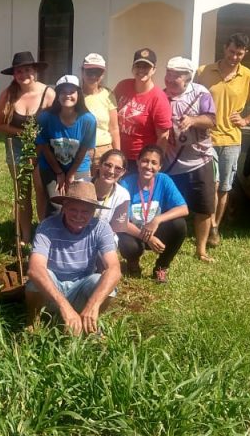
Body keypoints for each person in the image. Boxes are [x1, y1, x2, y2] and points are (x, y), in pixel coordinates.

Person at [195, 33, 250, 247]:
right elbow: (191, 96)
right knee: (212, 183)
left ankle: (215, 227)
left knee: (224, 188)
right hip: (206, 139)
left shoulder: (248, 76)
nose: (234, 57)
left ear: (245, 53)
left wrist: (247, 119)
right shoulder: (203, 72)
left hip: (231, 140)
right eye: (231, 52)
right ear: (224, 48)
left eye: (240, 54)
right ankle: (207, 224)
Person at [25, 181, 121, 335]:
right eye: (73, 209)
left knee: (103, 282)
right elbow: (35, 269)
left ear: (94, 212)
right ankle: (33, 319)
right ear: (64, 208)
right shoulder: (47, 226)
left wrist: (93, 305)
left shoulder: (101, 228)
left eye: (85, 212)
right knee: (40, 277)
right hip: (52, 288)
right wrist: (65, 307)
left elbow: (115, 269)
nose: (78, 216)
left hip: (81, 287)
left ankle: (88, 319)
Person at [0, 51, 55, 244]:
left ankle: (44, 235)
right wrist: (23, 134)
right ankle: (25, 236)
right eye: (19, 71)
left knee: (40, 190)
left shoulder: (48, 94)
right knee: (22, 193)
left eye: (27, 70)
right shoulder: (9, 94)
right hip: (17, 147)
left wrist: (39, 138)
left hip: (42, 149)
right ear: (14, 74)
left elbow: (56, 124)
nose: (23, 75)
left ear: (34, 71)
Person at [162, 56, 218, 263]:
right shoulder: (161, 96)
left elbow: (212, 119)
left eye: (175, 75)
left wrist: (193, 120)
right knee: (171, 207)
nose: (169, 78)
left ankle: (201, 250)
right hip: (171, 163)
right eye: (168, 73)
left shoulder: (201, 93)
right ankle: (169, 244)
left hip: (200, 159)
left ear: (187, 78)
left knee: (203, 207)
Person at [118, 144, 189, 283]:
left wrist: (157, 220)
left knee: (179, 225)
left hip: (154, 229)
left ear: (160, 166)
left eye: (154, 163)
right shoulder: (126, 183)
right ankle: (133, 261)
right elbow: (122, 221)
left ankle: (161, 267)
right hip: (134, 232)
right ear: (138, 162)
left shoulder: (164, 180)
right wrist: (147, 238)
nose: (148, 166)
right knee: (128, 244)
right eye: (144, 161)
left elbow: (183, 208)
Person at [35, 75, 96, 219]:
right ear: (57, 95)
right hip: (51, 166)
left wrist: (70, 175)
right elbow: (44, 146)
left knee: (79, 202)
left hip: (78, 166)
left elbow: (83, 150)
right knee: (56, 204)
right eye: (63, 92)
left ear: (78, 95)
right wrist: (59, 172)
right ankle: (52, 235)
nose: (67, 95)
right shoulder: (45, 117)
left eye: (71, 92)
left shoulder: (88, 119)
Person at [114, 47, 172, 163]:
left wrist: (155, 162)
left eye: (146, 67)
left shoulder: (158, 97)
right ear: (132, 68)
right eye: (138, 66)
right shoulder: (122, 86)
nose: (141, 70)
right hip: (118, 155)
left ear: (154, 70)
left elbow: (163, 136)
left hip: (140, 160)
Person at [80, 53, 120, 174]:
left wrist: (118, 155)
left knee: (102, 188)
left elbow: (114, 128)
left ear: (102, 74)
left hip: (104, 150)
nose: (93, 76)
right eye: (89, 71)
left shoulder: (108, 95)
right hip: (81, 151)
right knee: (81, 189)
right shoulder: (74, 95)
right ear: (82, 72)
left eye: (97, 72)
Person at [92, 148, 130, 230]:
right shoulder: (81, 185)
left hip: (105, 238)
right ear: (99, 165)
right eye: (108, 165)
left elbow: (115, 230)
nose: (111, 171)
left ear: (123, 173)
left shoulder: (123, 195)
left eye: (118, 168)